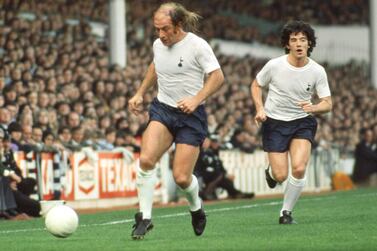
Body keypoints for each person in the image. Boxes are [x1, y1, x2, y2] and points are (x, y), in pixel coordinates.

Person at [128, 2, 224, 240]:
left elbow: (217, 76)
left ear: (178, 25)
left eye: (165, 29)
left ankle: (197, 209)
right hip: (163, 109)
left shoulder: (198, 46)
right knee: (147, 159)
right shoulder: (158, 45)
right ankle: (145, 217)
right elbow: (155, 66)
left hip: (191, 116)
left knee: (181, 178)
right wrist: (140, 92)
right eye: (156, 29)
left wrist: (196, 98)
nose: (160, 35)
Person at [251, 20, 332, 224]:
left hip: (302, 122)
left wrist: (313, 107)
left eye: (303, 40)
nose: (298, 43)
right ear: (287, 44)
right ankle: (271, 172)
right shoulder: (274, 65)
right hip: (275, 122)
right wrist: (260, 108)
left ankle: (285, 213)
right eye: (294, 40)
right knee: (280, 175)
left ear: (309, 44)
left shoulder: (317, 71)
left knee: (298, 168)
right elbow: (256, 84)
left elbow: (328, 104)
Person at [195, 134, 255, 200]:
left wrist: (226, 174)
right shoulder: (199, 152)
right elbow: (200, 166)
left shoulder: (213, 152)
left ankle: (235, 194)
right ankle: (206, 193)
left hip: (214, 175)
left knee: (225, 179)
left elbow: (220, 166)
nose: (215, 144)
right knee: (220, 175)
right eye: (213, 142)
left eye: (216, 142)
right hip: (203, 174)